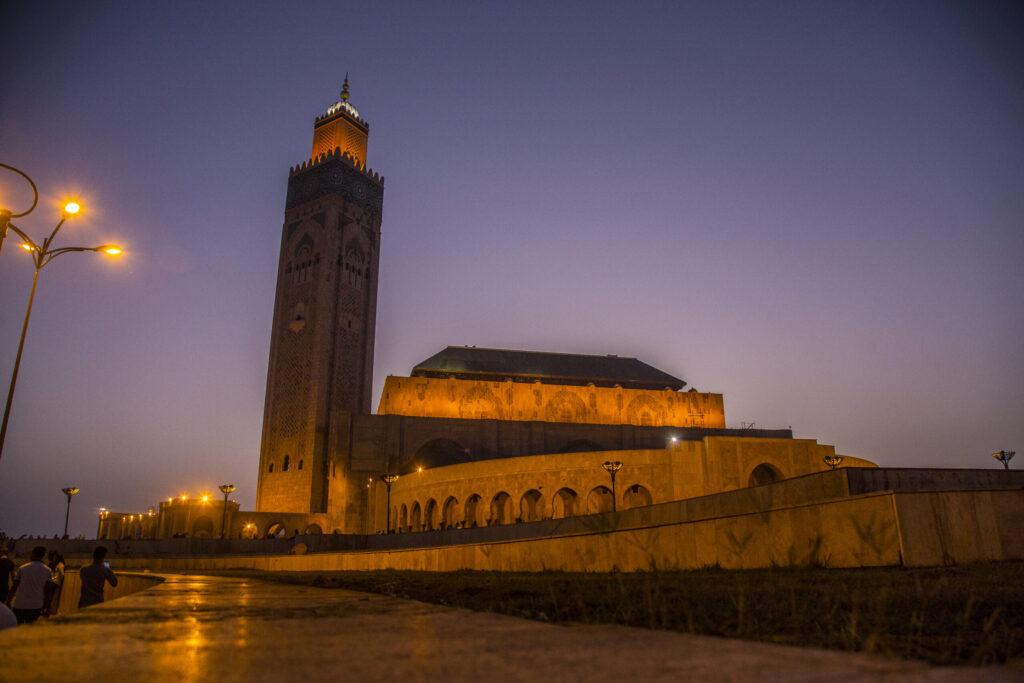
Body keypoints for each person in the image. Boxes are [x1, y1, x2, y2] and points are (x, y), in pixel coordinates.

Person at [6, 546, 52, 624]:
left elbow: (14, 587)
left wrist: (8, 601)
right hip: (36, 606)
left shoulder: (22, 568)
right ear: (43, 555)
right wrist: (47, 607)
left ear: (33, 554)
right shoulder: (48, 570)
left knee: (17, 629)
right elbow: (47, 591)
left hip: (19, 605)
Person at [46, 551, 66, 615]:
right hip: (54, 582)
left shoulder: (59, 565)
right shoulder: (56, 564)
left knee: (50, 597)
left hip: (54, 582)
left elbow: (61, 575)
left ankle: (48, 609)